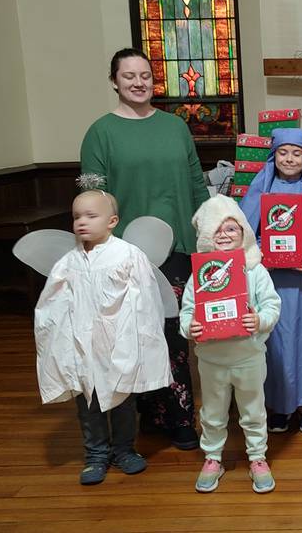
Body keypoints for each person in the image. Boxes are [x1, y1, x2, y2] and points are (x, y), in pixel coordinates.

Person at [81, 48, 209, 450]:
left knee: (173, 332)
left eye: (145, 76)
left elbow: (196, 183)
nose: (139, 83)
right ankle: (143, 416)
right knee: (132, 333)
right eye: (129, 76)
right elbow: (92, 197)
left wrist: (207, 230)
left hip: (178, 245)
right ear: (114, 81)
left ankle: (180, 417)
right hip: (124, 251)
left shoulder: (175, 127)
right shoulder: (101, 132)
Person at [34, 189, 172, 485]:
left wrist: (139, 339)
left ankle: (125, 450)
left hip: (118, 342)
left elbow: (146, 302)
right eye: (76, 217)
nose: (81, 222)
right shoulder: (69, 262)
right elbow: (52, 304)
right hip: (81, 345)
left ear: (112, 221)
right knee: (88, 401)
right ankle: (96, 454)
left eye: (90, 216)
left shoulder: (128, 255)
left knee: (122, 400)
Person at [179, 195, 281, 494]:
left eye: (231, 228)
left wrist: (259, 320)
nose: (224, 235)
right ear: (206, 236)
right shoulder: (199, 275)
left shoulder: (255, 270)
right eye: (217, 229)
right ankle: (213, 457)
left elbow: (272, 305)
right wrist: (190, 327)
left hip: (249, 357)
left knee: (253, 411)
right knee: (212, 413)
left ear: (243, 232)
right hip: (212, 360)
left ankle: (258, 457)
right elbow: (187, 311)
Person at [240, 129, 302, 433]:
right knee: (276, 342)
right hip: (272, 282)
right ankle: (279, 406)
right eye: (283, 152)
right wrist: (261, 250)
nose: (290, 159)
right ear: (274, 156)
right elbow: (244, 230)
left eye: (297, 153)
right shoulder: (261, 188)